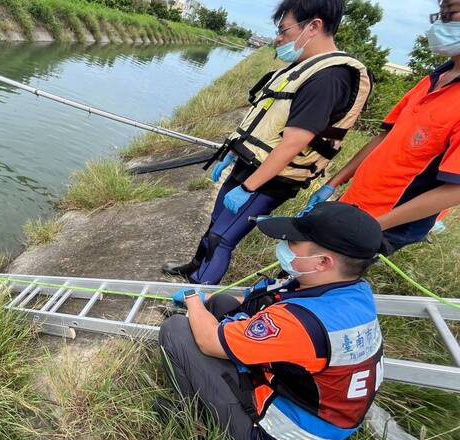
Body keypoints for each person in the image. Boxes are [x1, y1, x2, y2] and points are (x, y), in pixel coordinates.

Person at [163, 0, 372, 284]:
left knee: (222, 237)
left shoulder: (330, 78)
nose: (279, 38)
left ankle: (195, 299)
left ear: (314, 26)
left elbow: (294, 142)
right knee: (215, 223)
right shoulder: (303, 67)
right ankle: (194, 268)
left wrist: (249, 187)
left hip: (273, 178)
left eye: (284, 30)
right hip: (250, 164)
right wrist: (231, 156)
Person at [158, 202, 384, 440]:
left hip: (277, 431)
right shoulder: (352, 290)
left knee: (177, 330)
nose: (284, 246)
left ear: (323, 262)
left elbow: (208, 341)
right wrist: (209, 299)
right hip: (313, 406)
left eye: (293, 242)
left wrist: (192, 298)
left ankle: (195, 417)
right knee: (223, 303)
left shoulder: (299, 322)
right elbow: (266, 296)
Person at [306, 0, 460, 252]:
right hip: (355, 202)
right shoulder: (433, 79)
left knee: (315, 274)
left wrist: (374, 226)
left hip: (386, 223)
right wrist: (334, 183)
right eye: (440, 14)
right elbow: (384, 138)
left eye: (450, 13)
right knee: (298, 266)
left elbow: (455, 191)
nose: (442, 22)